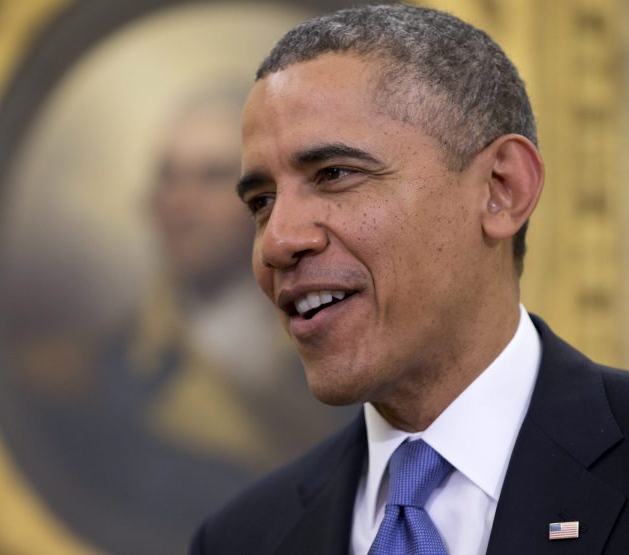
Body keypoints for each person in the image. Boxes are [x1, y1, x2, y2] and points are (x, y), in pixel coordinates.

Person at [190, 4, 629, 554]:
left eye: (335, 175)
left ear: (502, 188)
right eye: (261, 202)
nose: (277, 242)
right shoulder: (241, 540)